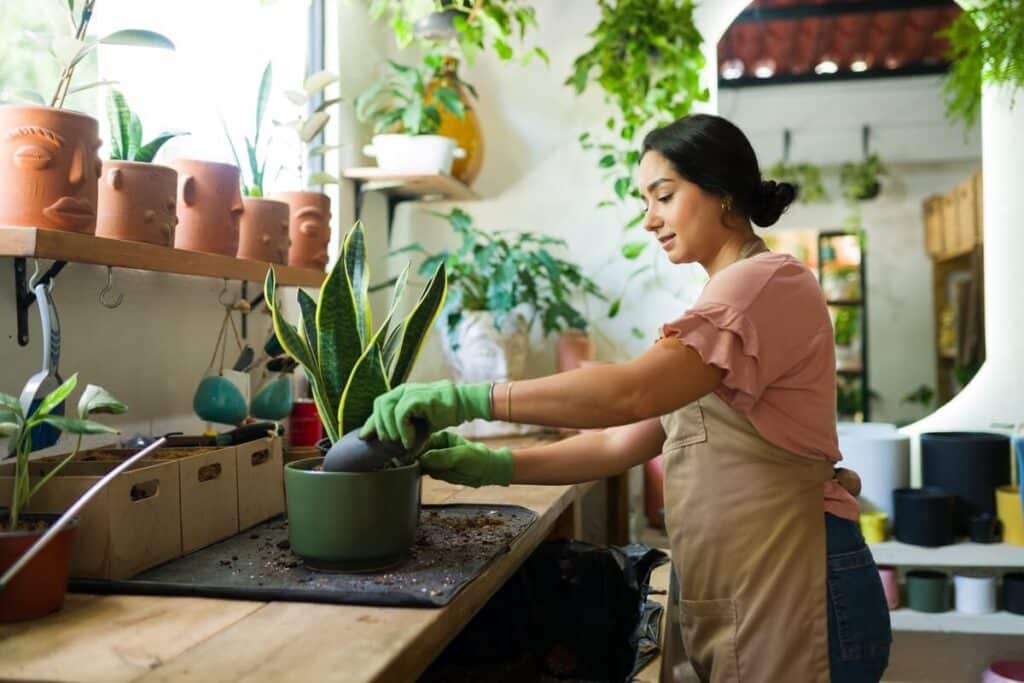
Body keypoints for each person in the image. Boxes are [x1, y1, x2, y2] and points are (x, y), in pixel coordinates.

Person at [360, 113, 892, 683]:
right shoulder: (721, 302)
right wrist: (493, 465)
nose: (649, 219)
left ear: (722, 191)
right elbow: (620, 442)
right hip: (759, 593)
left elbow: (630, 392)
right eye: (645, 201)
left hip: (801, 593)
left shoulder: (764, 282)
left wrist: (471, 398)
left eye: (663, 196)